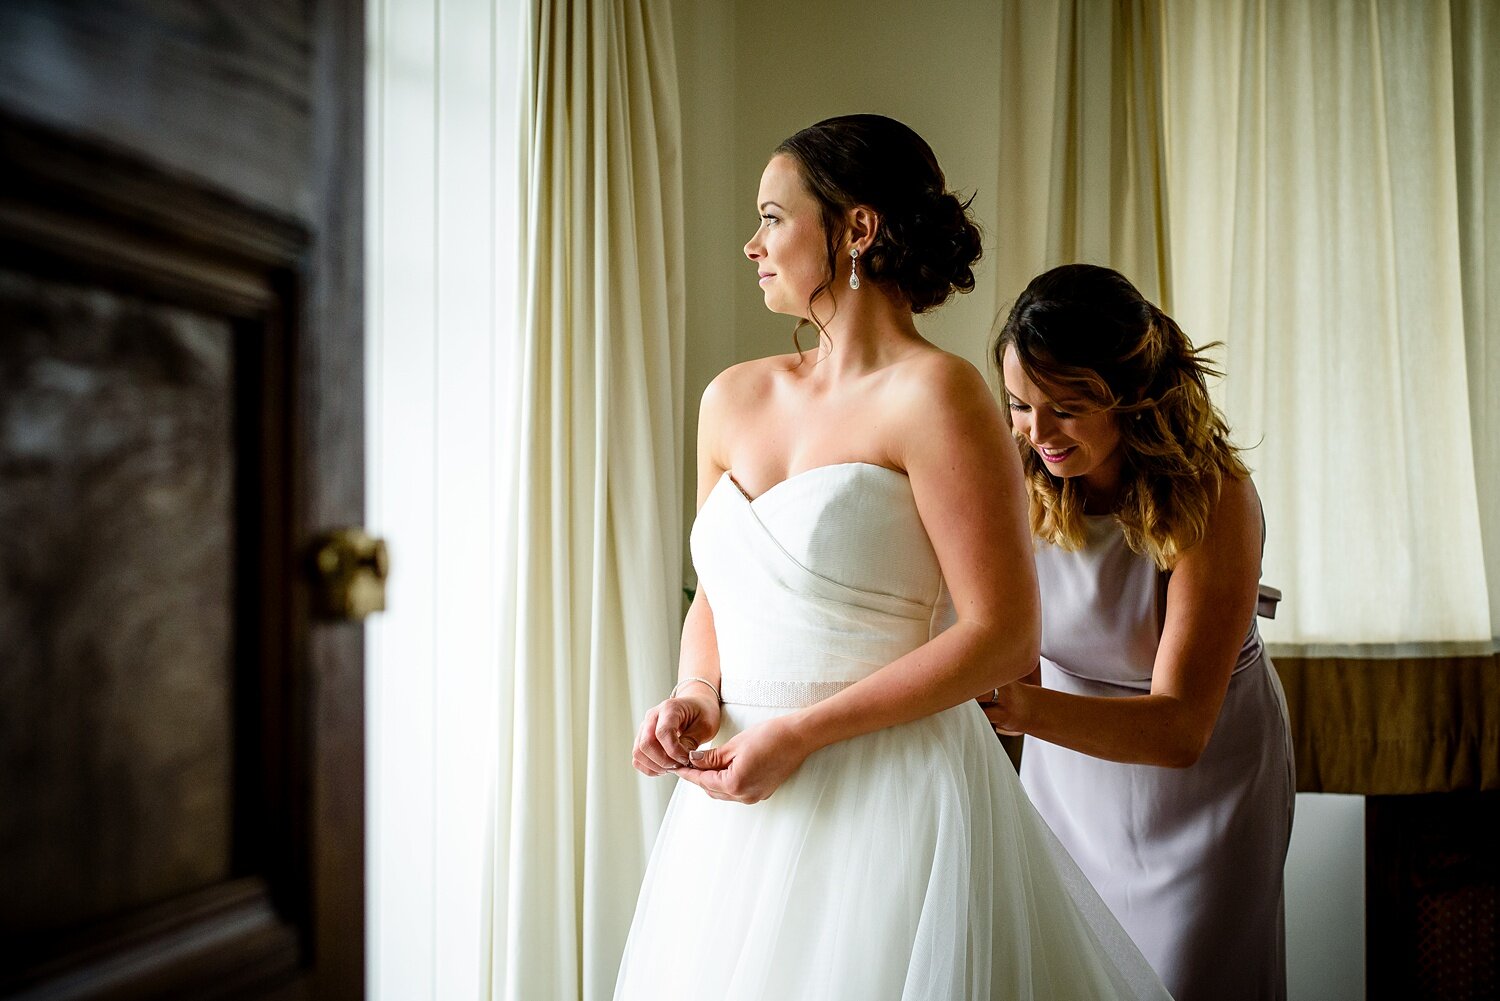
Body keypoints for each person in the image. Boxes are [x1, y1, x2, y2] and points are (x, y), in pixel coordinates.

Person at [613, 117, 1170, 1001]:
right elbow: (718, 592)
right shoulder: (729, 398)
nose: (751, 244)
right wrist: (695, 694)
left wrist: (798, 732)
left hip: (890, 790)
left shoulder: (939, 394)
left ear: (856, 230)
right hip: (736, 793)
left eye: (773, 217)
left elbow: (1003, 635)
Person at [986, 263, 1295, 1001]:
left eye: (1067, 406)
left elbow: (1180, 730)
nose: (1038, 432)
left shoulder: (1214, 496)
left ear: (1130, 395)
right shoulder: (1016, 472)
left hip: (1206, 790)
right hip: (1068, 785)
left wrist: (1015, 708)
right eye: (1019, 406)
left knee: (1187, 981)